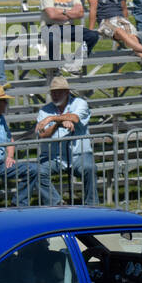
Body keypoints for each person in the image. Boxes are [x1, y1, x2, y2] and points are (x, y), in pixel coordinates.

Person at [0, 85, 58, 208]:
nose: (6, 103)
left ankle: (19, 204)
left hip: (0, 164)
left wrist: (10, 156)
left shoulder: (1, 119)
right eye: (4, 101)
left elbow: (10, 140)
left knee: (33, 169)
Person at [37, 76, 97, 204]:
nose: (55, 95)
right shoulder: (44, 110)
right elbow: (42, 135)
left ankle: (92, 205)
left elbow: (74, 118)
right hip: (54, 157)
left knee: (89, 168)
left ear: (67, 92)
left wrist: (52, 119)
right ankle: (57, 203)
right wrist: (58, 124)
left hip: (79, 154)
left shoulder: (80, 103)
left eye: (59, 92)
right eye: (53, 92)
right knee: (36, 171)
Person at [41, 0, 99, 72]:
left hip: (68, 27)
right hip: (50, 27)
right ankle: (54, 68)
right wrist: (70, 12)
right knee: (52, 39)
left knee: (93, 36)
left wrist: (61, 11)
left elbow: (80, 13)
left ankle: (74, 64)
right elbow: (52, 15)